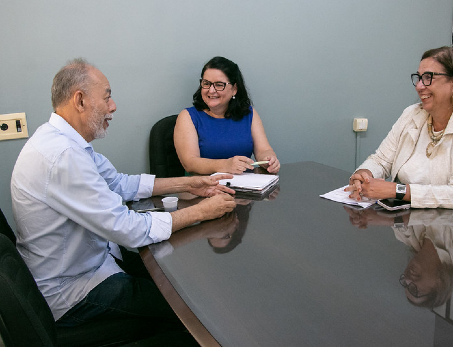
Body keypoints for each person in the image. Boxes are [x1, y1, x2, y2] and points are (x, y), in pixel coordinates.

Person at [10, 58, 236, 329]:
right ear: (80, 101)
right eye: (107, 97)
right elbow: (128, 230)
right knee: (191, 306)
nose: (113, 106)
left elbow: (117, 183)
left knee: (179, 275)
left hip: (91, 263)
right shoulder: (62, 156)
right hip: (73, 292)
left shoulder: (65, 142)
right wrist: (201, 211)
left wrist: (188, 184)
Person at [346, 46, 453, 231]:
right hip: (419, 223)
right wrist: (365, 174)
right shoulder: (411, 114)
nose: (419, 86)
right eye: (418, 77)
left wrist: (396, 190)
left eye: (428, 78)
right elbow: (382, 159)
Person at [174, 56, 280, 175]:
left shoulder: (249, 113)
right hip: (202, 188)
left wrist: (268, 159)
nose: (211, 90)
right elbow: (190, 163)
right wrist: (225, 165)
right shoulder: (188, 116)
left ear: (234, 89)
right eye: (206, 83)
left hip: (244, 186)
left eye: (219, 85)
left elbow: (263, 150)